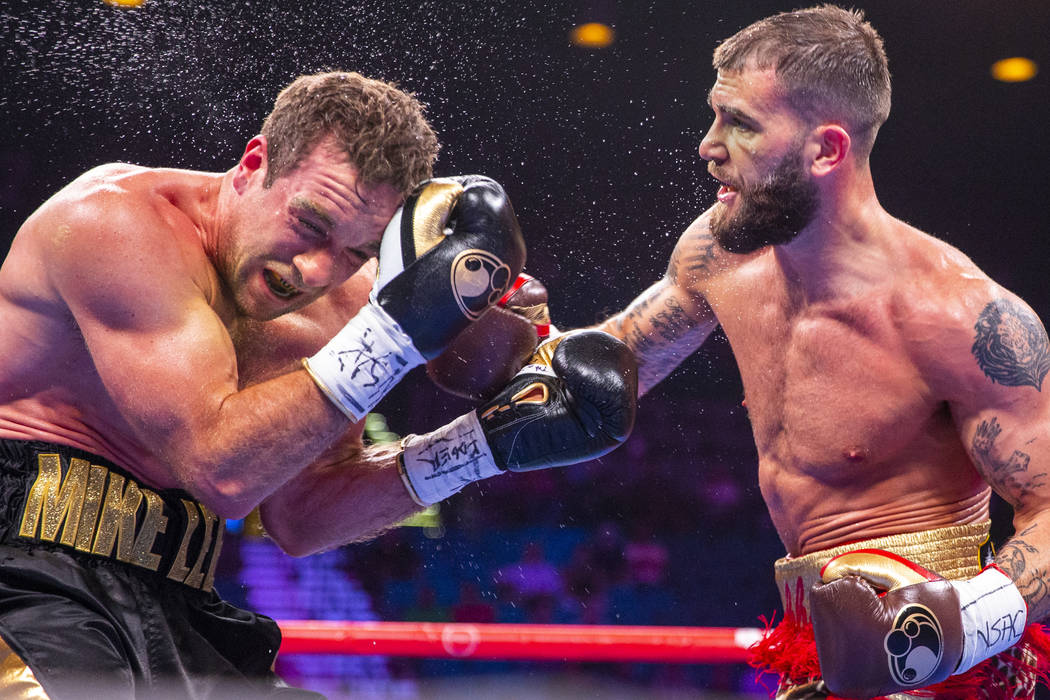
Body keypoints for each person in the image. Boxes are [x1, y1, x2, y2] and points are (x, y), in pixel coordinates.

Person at [0, 69, 638, 698]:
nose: (315, 270)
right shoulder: (117, 227)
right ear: (254, 163)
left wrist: (482, 446)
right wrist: (393, 337)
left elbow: (301, 518)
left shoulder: (342, 305)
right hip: (19, 578)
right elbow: (220, 471)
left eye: (358, 254)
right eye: (310, 223)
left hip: (174, 597)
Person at [584, 6, 1050, 698]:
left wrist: (960, 622)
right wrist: (490, 333)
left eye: (740, 124)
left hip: (948, 661)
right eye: (716, 116)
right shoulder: (719, 253)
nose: (708, 146)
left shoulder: (961, 316)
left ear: (826, 150)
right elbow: (600, 376)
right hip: (813, 650)